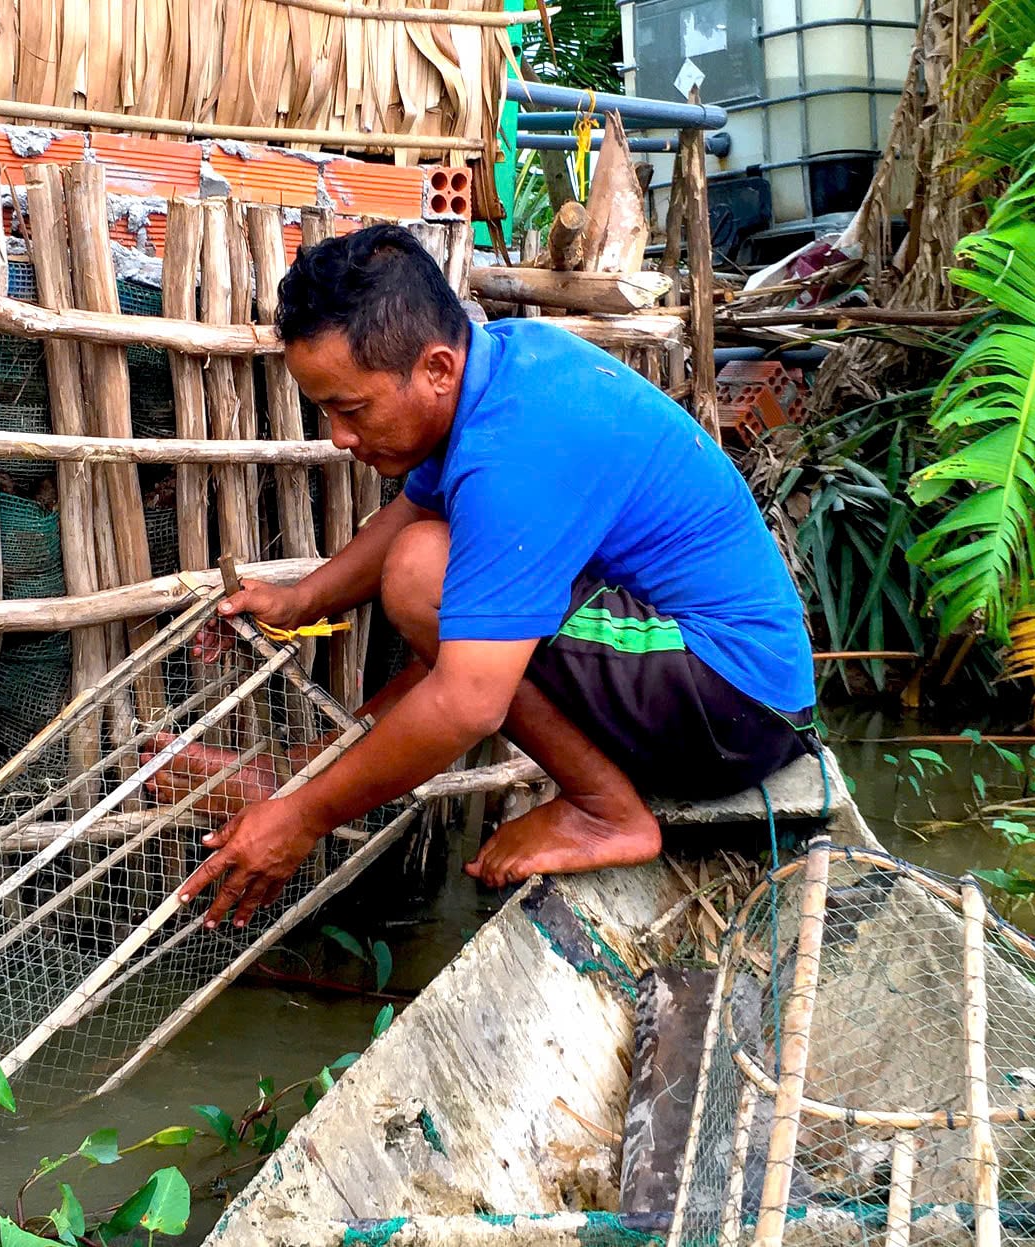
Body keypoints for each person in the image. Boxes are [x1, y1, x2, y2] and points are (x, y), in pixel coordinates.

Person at [171, 223, 815, 929]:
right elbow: (415, 508)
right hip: (706, 683)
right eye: (326, 409)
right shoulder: (504, 368)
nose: (338, 436)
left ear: (437, 369)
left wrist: (304, 820)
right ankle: (306, 766)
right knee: (448, 587)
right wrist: (301, 600)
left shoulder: (515, 452)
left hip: (734, 704)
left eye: (351, 409)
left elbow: (469, 704)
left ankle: (604, 809)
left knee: (425, 576)